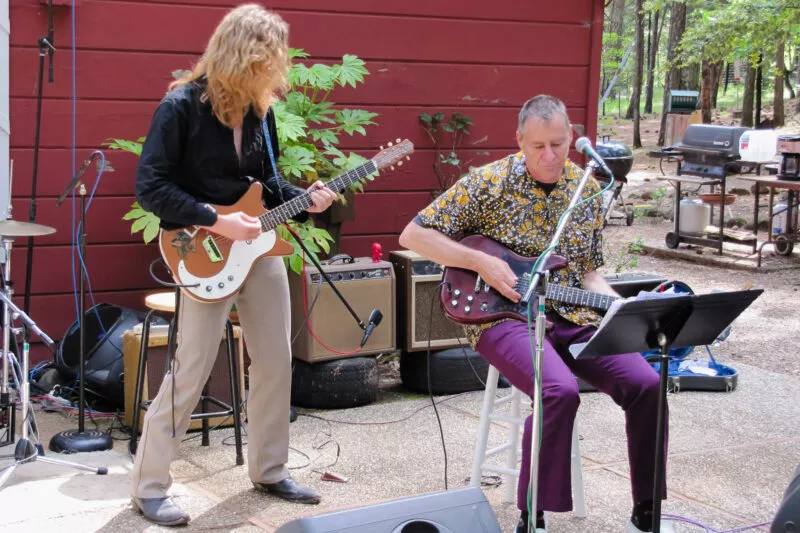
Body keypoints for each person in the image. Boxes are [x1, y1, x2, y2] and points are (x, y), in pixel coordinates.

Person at [398, 95, 673, 533]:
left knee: (647, 383)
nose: (550, 156)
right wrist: (479, 262)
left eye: (559, 145)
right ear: (520, 141)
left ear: (572, 141)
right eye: (538, 146)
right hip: (499, 315)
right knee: (559, 390)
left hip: (570, 313)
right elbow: (413, 234)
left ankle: (648, 509)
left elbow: (587, 274)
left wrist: (614, 304)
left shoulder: (583, 190)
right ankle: (534, 516)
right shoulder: (488, 182)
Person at [131, 4, 338, 526]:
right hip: (202, 250)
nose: (276, 71)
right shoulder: (179, 107)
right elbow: (150, 188)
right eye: (268, 61)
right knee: (193, 366)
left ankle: (269, 469)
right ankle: (150, 485)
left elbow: (265, 185)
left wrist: (304, 196)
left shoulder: (256, 111)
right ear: (242, 57)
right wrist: (214, 221)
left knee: (274, 359)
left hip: (258, 250)